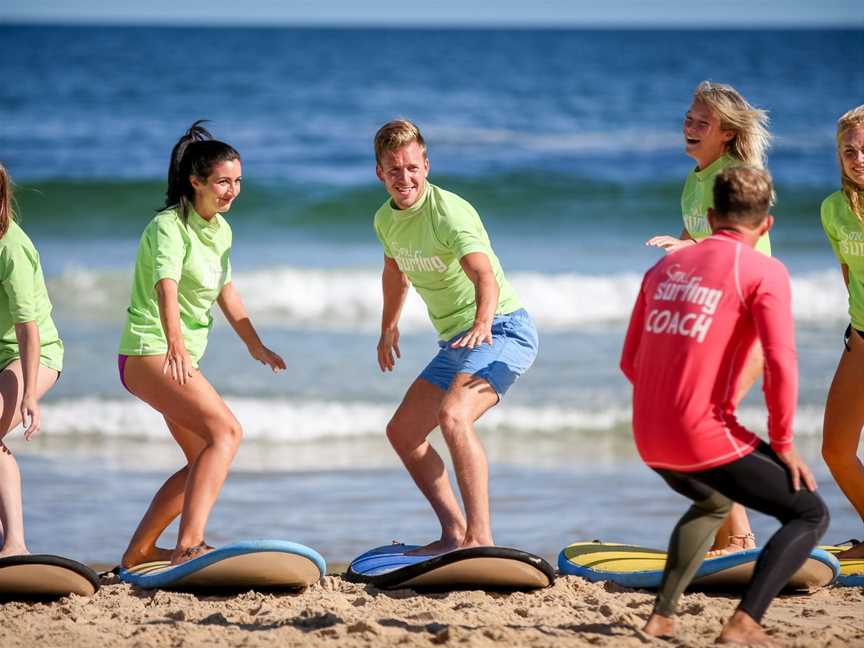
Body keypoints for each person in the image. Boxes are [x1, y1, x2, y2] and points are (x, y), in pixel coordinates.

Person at [622, 166, 828, 645]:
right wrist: (783, 444)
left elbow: (631, 361)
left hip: (647, 433)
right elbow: (780, 360)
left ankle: (662, 617)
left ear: (711, 216)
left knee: (714, 499)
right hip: (702, 433)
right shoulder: (764, 269)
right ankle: (745, 622)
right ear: (767, 225)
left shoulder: (662, 269)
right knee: (810, 514)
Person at [118, 122, 285, 568]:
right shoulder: (168, 227)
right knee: (227, 433)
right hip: (148, 350)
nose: (232, 191)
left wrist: (256, 344)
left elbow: (226, 291)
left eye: (237, 182)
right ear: (196, 181)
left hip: (173, 355)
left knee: (201, 458)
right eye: (223, 182)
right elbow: (165, 286)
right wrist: (174, 344)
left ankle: (138, 553)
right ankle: (189, 543)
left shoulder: (220, 231)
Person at [373, 119, 538, 555]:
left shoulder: (449, 212)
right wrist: (388, 325)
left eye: (412, 167)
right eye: (394, 170)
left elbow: (485, 275)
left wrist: (483, 323)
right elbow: (395, 273)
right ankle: (453, 533)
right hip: (456, 342)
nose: (404, 178)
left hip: (503, 328)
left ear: (426, 165)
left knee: (454, 416)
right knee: (403, 432)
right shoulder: (385, 220)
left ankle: (480, 538)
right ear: (380, 174)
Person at [646, 81, 773, 556]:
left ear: (726, 133)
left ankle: (738, 535)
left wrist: (690, 248)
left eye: (704, 123)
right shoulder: (697, 178)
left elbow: (742, 243)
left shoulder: (737, 174)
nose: (691, 127)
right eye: (689, 118)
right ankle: (732, 534)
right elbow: (692, 235)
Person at [0, 163, 63, 558]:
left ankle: (16, 544)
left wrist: (29, 397)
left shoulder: (11, 247)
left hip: (29, 354)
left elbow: (28, 328)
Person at [821, 104, 864, 560]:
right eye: (849, 150)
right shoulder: (833, 209)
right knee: (836, 448)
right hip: (861, 338)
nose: (858, 158)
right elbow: (849, 276)